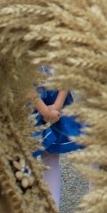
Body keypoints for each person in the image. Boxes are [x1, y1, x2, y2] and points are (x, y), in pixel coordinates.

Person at [31, 71, 81, 203]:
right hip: (31, 102)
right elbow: (22, 82)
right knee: (26, 158)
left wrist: (56, 106)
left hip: (55, 96)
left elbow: (66, 69)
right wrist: (46, 111)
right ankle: (28, 212)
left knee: (51, 156)